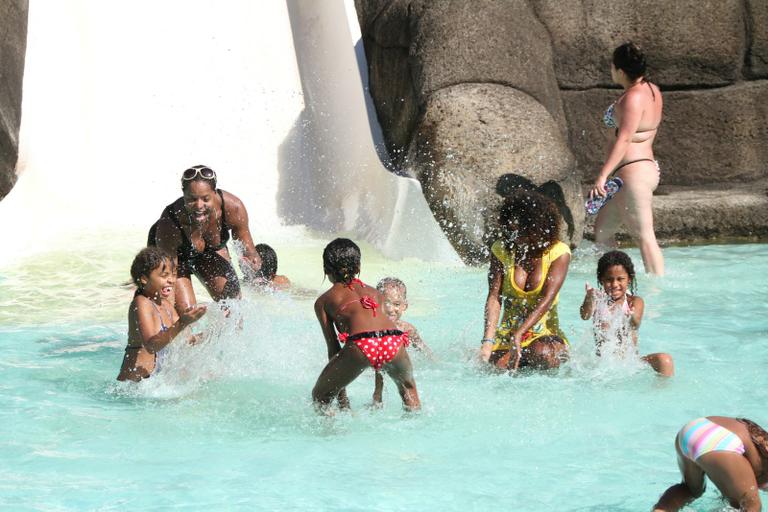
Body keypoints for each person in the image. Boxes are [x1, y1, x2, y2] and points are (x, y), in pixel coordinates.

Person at [311, 238, 420, 412]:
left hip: (362, 344)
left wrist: (342, 400)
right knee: (408, 389)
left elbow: (334, 350)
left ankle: (330, 437)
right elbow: (380, 335)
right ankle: (418, 430)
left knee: (320, 395)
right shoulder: (376, 293)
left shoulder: (324, 301)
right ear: (358, 267)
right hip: (393, 341)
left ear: (326, 269)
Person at [590, 41, 665, 275]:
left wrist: (602, 176)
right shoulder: (652, 90)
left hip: (633, 173)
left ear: (620, 71)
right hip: (637, 172)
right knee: (602, 231)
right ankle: (611, 279)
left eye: (612, 67)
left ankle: (659, 295)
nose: (611, 70)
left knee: (644, 236)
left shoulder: (632, 98)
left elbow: (624, 139)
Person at [147, 165, 261, 315]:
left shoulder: (233, 209)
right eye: (192, 199)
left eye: (205, 199)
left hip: (208, 253)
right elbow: (167, 276)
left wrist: (251, 264)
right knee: (186, 312)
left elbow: (250, 253)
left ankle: (224, 338)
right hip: (175, 259)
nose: (199, 206)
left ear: (214, 192)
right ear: (183, 194)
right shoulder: (170, 223)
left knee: (232, 302)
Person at [479, 190, 570, 371]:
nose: (515, 233)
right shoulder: (501, 250)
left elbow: (547, 299)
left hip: (544, 334)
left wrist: (519, 335)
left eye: (521, 229)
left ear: (538, 227)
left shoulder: (559, 252)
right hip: (508, 334)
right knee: (495, 370)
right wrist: (488, 342)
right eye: (512, 227)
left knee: (542, 354)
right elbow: (494, 297)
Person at [117, 247, 206, 381]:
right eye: (164, 275)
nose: (171, 280)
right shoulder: (141, 303)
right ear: (144, 279)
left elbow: (183, 341)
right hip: (133, 387)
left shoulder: (166, 306)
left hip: (153, 384)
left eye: (173, 274)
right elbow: (151, 345)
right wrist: (182, 322)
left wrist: (216, 331)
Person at [579, 250, 674, 376]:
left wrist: (630, 317)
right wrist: (589, 297)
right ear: (601, 280)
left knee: (664, 360)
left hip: (630, 364)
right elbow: (585, 315)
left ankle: (662, 393)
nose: (615, 284)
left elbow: (636, 324)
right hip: (603, 364)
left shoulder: (634, 301)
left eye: (620, 279)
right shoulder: (597, 299)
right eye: (609, 279)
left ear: (629, 279)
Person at [653, 416, 768, 511]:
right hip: (721, 440)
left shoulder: (756, 438)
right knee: (751, 505)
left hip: (692, 429)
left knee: (689, 489)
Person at [371, 277, 434, 405]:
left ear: (405, 306)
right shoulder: (373, 329)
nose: (390, 309)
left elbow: (424, 350)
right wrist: (378, 393)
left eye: (396, 304)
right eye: (385, 303)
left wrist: (435, 363)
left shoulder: (407, 329)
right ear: (376, 303)